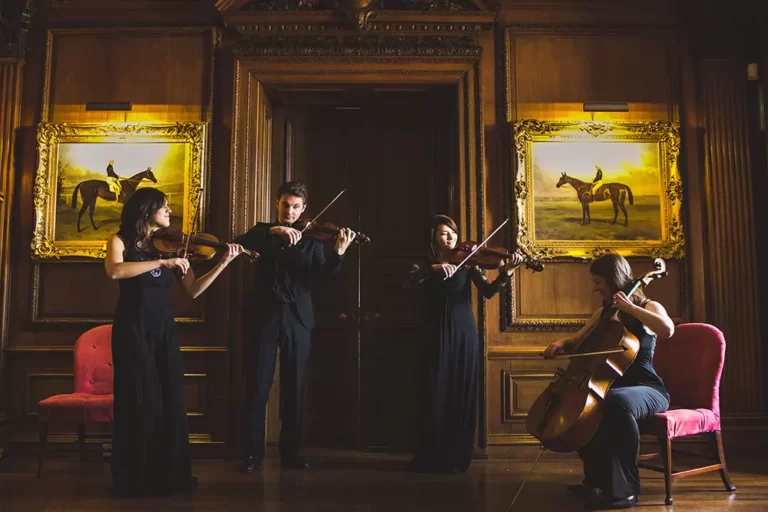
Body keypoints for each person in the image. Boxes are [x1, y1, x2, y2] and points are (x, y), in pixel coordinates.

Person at [104, 187, 244, 497]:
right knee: (140, 402)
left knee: (169, 401)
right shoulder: (121, 242)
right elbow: (115, 271)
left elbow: (193, 290)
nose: (169, 211)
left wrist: (222, 262)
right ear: (146, 210)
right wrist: (161, 264)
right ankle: (134, 479)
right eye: (164, 207)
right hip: (133, 332)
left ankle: (167, 476)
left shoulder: (173, 249)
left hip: (164, 333)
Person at [235, 181, 355, 472]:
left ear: (303, 209)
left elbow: (320, 278)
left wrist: (337, 254)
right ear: (277, 204)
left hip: (298, 318)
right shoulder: (261, 232)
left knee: (294, 387)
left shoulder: (312, 240)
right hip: (264, 317)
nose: (289, 211)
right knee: (258, 386)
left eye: (296, 207)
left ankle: (291, 453)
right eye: (285, 205)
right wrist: (273, 231)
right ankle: (252, 454)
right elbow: (240, 243)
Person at [543, 253, 675, 509]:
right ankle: (597, 479)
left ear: (613, 280)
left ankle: (626, 488)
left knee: (614, 401)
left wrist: (631, 309)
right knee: (585, 407)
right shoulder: (603, 313)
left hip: (647, 389)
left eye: (598, 282)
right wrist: (561, 344)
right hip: (612, 386)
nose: (595, 288)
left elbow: (667, 330)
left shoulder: (648, 306)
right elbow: (577, 340)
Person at [406, 215, 524, 473]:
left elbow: (489, 292)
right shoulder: (424, 263)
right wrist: (436, 269)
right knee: (435, 389)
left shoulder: (470, 263)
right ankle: (430, 455)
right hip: (435, 330)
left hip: (463, 330)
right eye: (443, 234)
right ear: (433, 237)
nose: (449, 238)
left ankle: (457, 456)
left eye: (452, 233)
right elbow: (410, 280)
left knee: (460, 387)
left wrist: (507, 273)